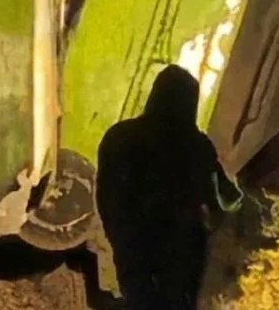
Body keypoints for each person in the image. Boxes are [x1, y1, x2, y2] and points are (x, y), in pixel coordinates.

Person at [96, 64, 243, 309]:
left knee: (140, 297)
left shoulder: (119, 136)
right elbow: (225, 199)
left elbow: (106, 192)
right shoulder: (197, 146)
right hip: (180, 253)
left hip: (131, 242)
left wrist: (120, 232)